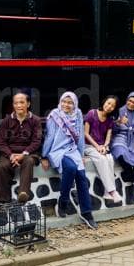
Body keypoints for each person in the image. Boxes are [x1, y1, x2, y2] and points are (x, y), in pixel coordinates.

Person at [41, 92, 98, 230]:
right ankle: (63, 201)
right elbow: (49, 137)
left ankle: (87, 213)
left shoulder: (78, 114)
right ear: (60, 102)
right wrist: (44, 156)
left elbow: (79, 136)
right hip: (57, 151)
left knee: (81, 178)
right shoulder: (54, 115)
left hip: (73, 151)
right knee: (71, 168)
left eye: (70, 102)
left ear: (74, 104)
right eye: (64, 102)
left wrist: (81, 154)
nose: (66, 105)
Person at [0, 92, 43, 203]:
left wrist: (24, 154)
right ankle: (3, 201)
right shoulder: (6, 121)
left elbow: (37, 141)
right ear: (13, 105)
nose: (19, 105)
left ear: (28, 104)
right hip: (10, 153)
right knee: (2, 167)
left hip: (29, 153)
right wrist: (11, 155)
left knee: (29, 161)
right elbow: (1, 143)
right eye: (16, 103)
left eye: (22, 102)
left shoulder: (36, 120)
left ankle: (23, 193)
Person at [111, 92, 134, 206]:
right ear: (126, 100)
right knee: (121, 153)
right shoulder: (118, 112)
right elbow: (111, 131)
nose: (132, 104)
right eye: (130, 101)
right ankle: (128, 173)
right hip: (119, 138)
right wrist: (118, 123)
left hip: (133, 140)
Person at [84, 95, 120, 202]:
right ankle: (112, 191)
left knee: (109, 159)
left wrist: (104, 146)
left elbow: (108, 136)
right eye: (108, 103)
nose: (109, 107)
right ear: (104, 102)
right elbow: (85, 133)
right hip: (88, 145)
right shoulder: (92, 113)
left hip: (101, 146)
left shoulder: (110, 120)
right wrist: (97, 146)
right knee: (102, 159)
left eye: (112, 106)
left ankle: (106, 192)